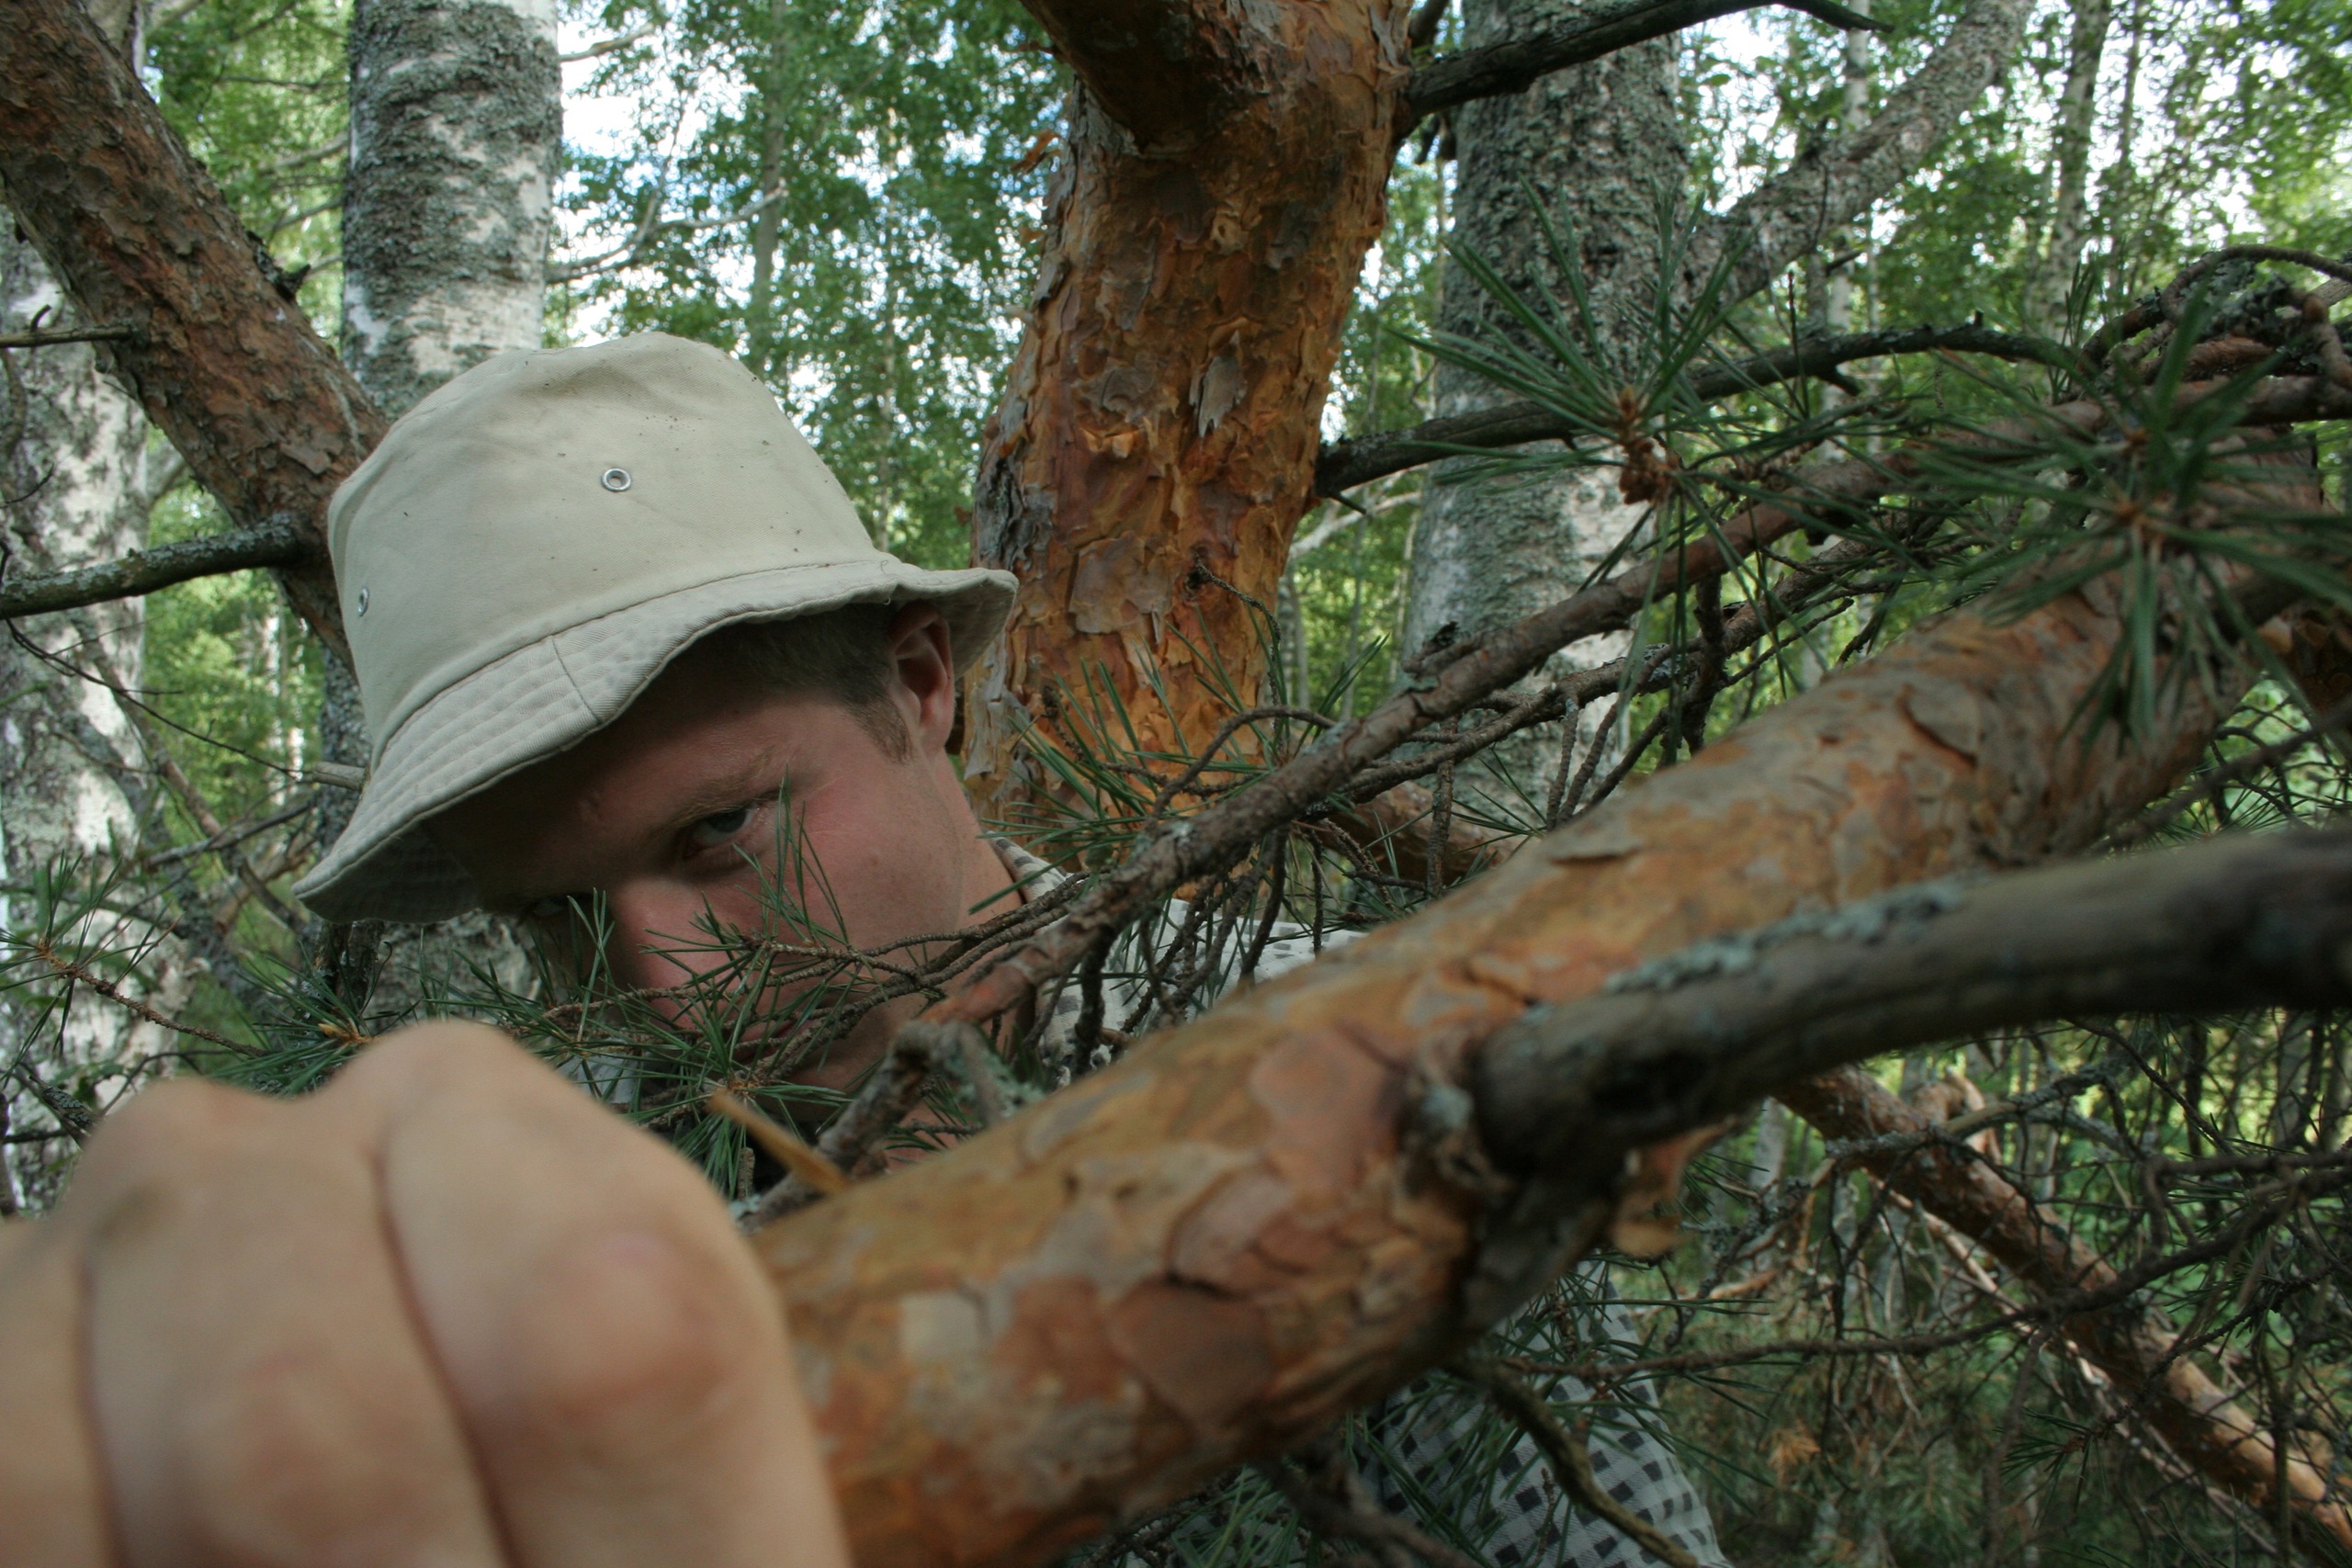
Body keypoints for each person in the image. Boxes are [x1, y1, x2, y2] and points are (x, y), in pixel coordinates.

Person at [0, 334, 1721, 1564]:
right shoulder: (566, 1221)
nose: (667, 989)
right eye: (556, 915)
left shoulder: (1339, 1060)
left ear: (918, 681)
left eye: (717, 834)